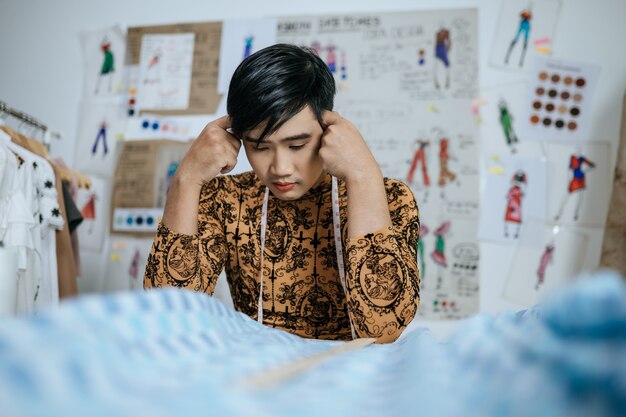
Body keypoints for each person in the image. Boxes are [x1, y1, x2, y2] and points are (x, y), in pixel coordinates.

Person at [143, 44, 421, 344]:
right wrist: (186, 179)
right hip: (260, 378)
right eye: (260, 147)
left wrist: (363, 175)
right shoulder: (225, 199)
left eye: (297, 145)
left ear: (329, 129)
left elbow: (384, 329)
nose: (280, 168)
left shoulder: (390, 197)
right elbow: (168, 319)